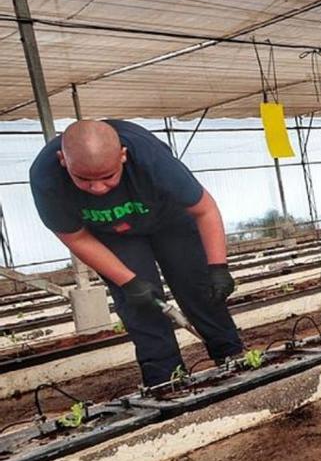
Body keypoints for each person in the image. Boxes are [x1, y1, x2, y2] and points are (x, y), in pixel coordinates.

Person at [29, 120, 245, 387]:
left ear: (123, 155)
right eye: (83, 179)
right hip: (112, 235)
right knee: (141, 304)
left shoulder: (153, 160)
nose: (98, 188)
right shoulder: (46, 179)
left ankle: (233, 356)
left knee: (199, 288)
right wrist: (128, 282)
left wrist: (218, 267)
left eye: (108, 177)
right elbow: (75, 237)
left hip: (170, 221)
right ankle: (166, 381)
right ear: (63, 160)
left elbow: (205, 209)